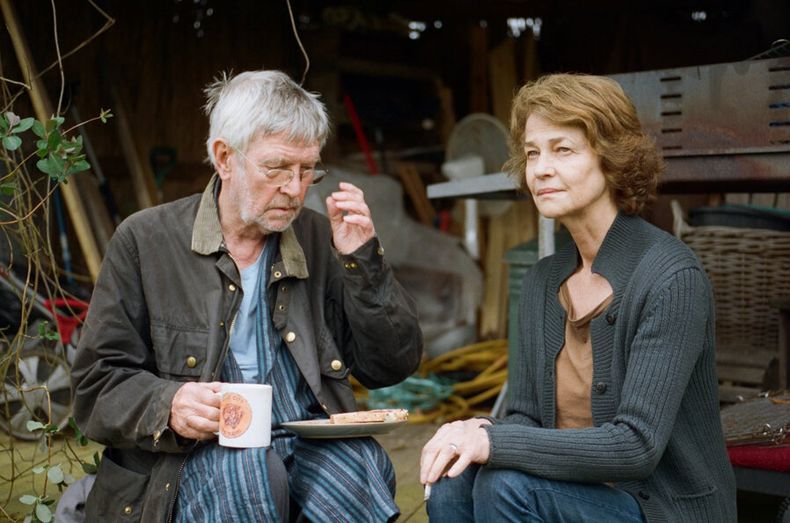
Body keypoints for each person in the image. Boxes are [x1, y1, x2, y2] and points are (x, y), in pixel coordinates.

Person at [71, 70, 423, 522]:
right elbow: (95, 384)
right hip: (194, 456)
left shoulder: (322, 239)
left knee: (355, 467)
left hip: (305, 440)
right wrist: (168, 404)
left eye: (306, 170)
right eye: (276, 168)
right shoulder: (146, 240)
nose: (295, 189)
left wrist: (363, 262)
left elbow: (390, 365)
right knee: (247, 473)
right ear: (224, 157)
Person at [419, 73, 736, 522]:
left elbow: (637, 446)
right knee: (452, 481)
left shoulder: (671, 277)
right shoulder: (542, 281)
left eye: (562, 149)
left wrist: (494, 442)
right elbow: (526, 417)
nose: (541, 168)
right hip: (569, 493)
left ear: (612, 159)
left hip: (660, 507)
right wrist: (477, 429)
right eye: (532, 153)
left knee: (507, 485)